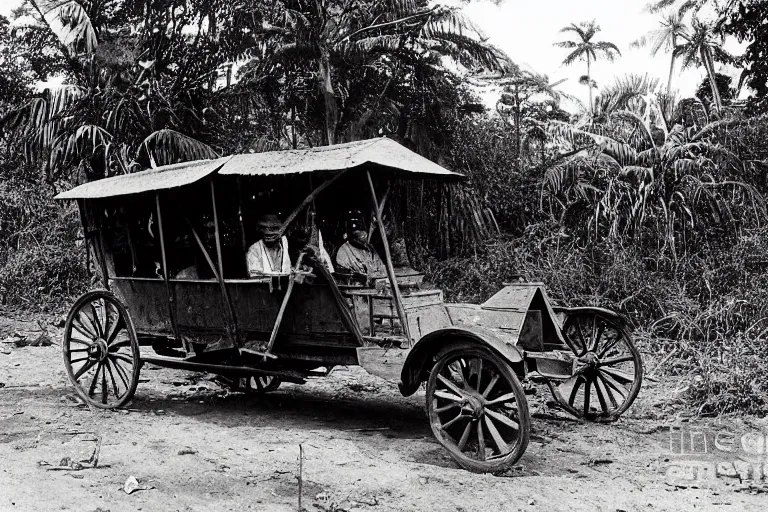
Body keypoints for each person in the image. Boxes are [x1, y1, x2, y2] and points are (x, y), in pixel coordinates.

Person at [335, 210, 385, 276]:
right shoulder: (344, 252)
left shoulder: (370, 249)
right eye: (358, 230)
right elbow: (345, 277)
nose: (363, 234)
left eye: (364, 230)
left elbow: (382, 270)